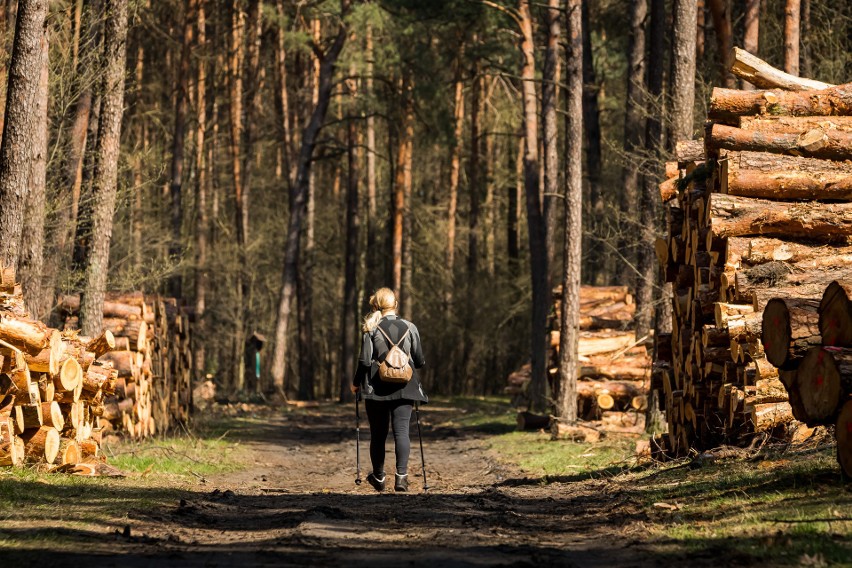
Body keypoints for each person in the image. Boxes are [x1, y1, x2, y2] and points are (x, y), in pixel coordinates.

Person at [351, 287, 427, 492]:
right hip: (405, 385)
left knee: (378, 434)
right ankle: (401, 478)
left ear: (375, 305)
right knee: (402, 431)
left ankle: (379, 477)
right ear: (395, 304)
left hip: (376, 387)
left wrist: (356, 383)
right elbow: (419, 361)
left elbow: (365, 361)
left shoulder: (371, 328)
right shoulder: (410, 327)